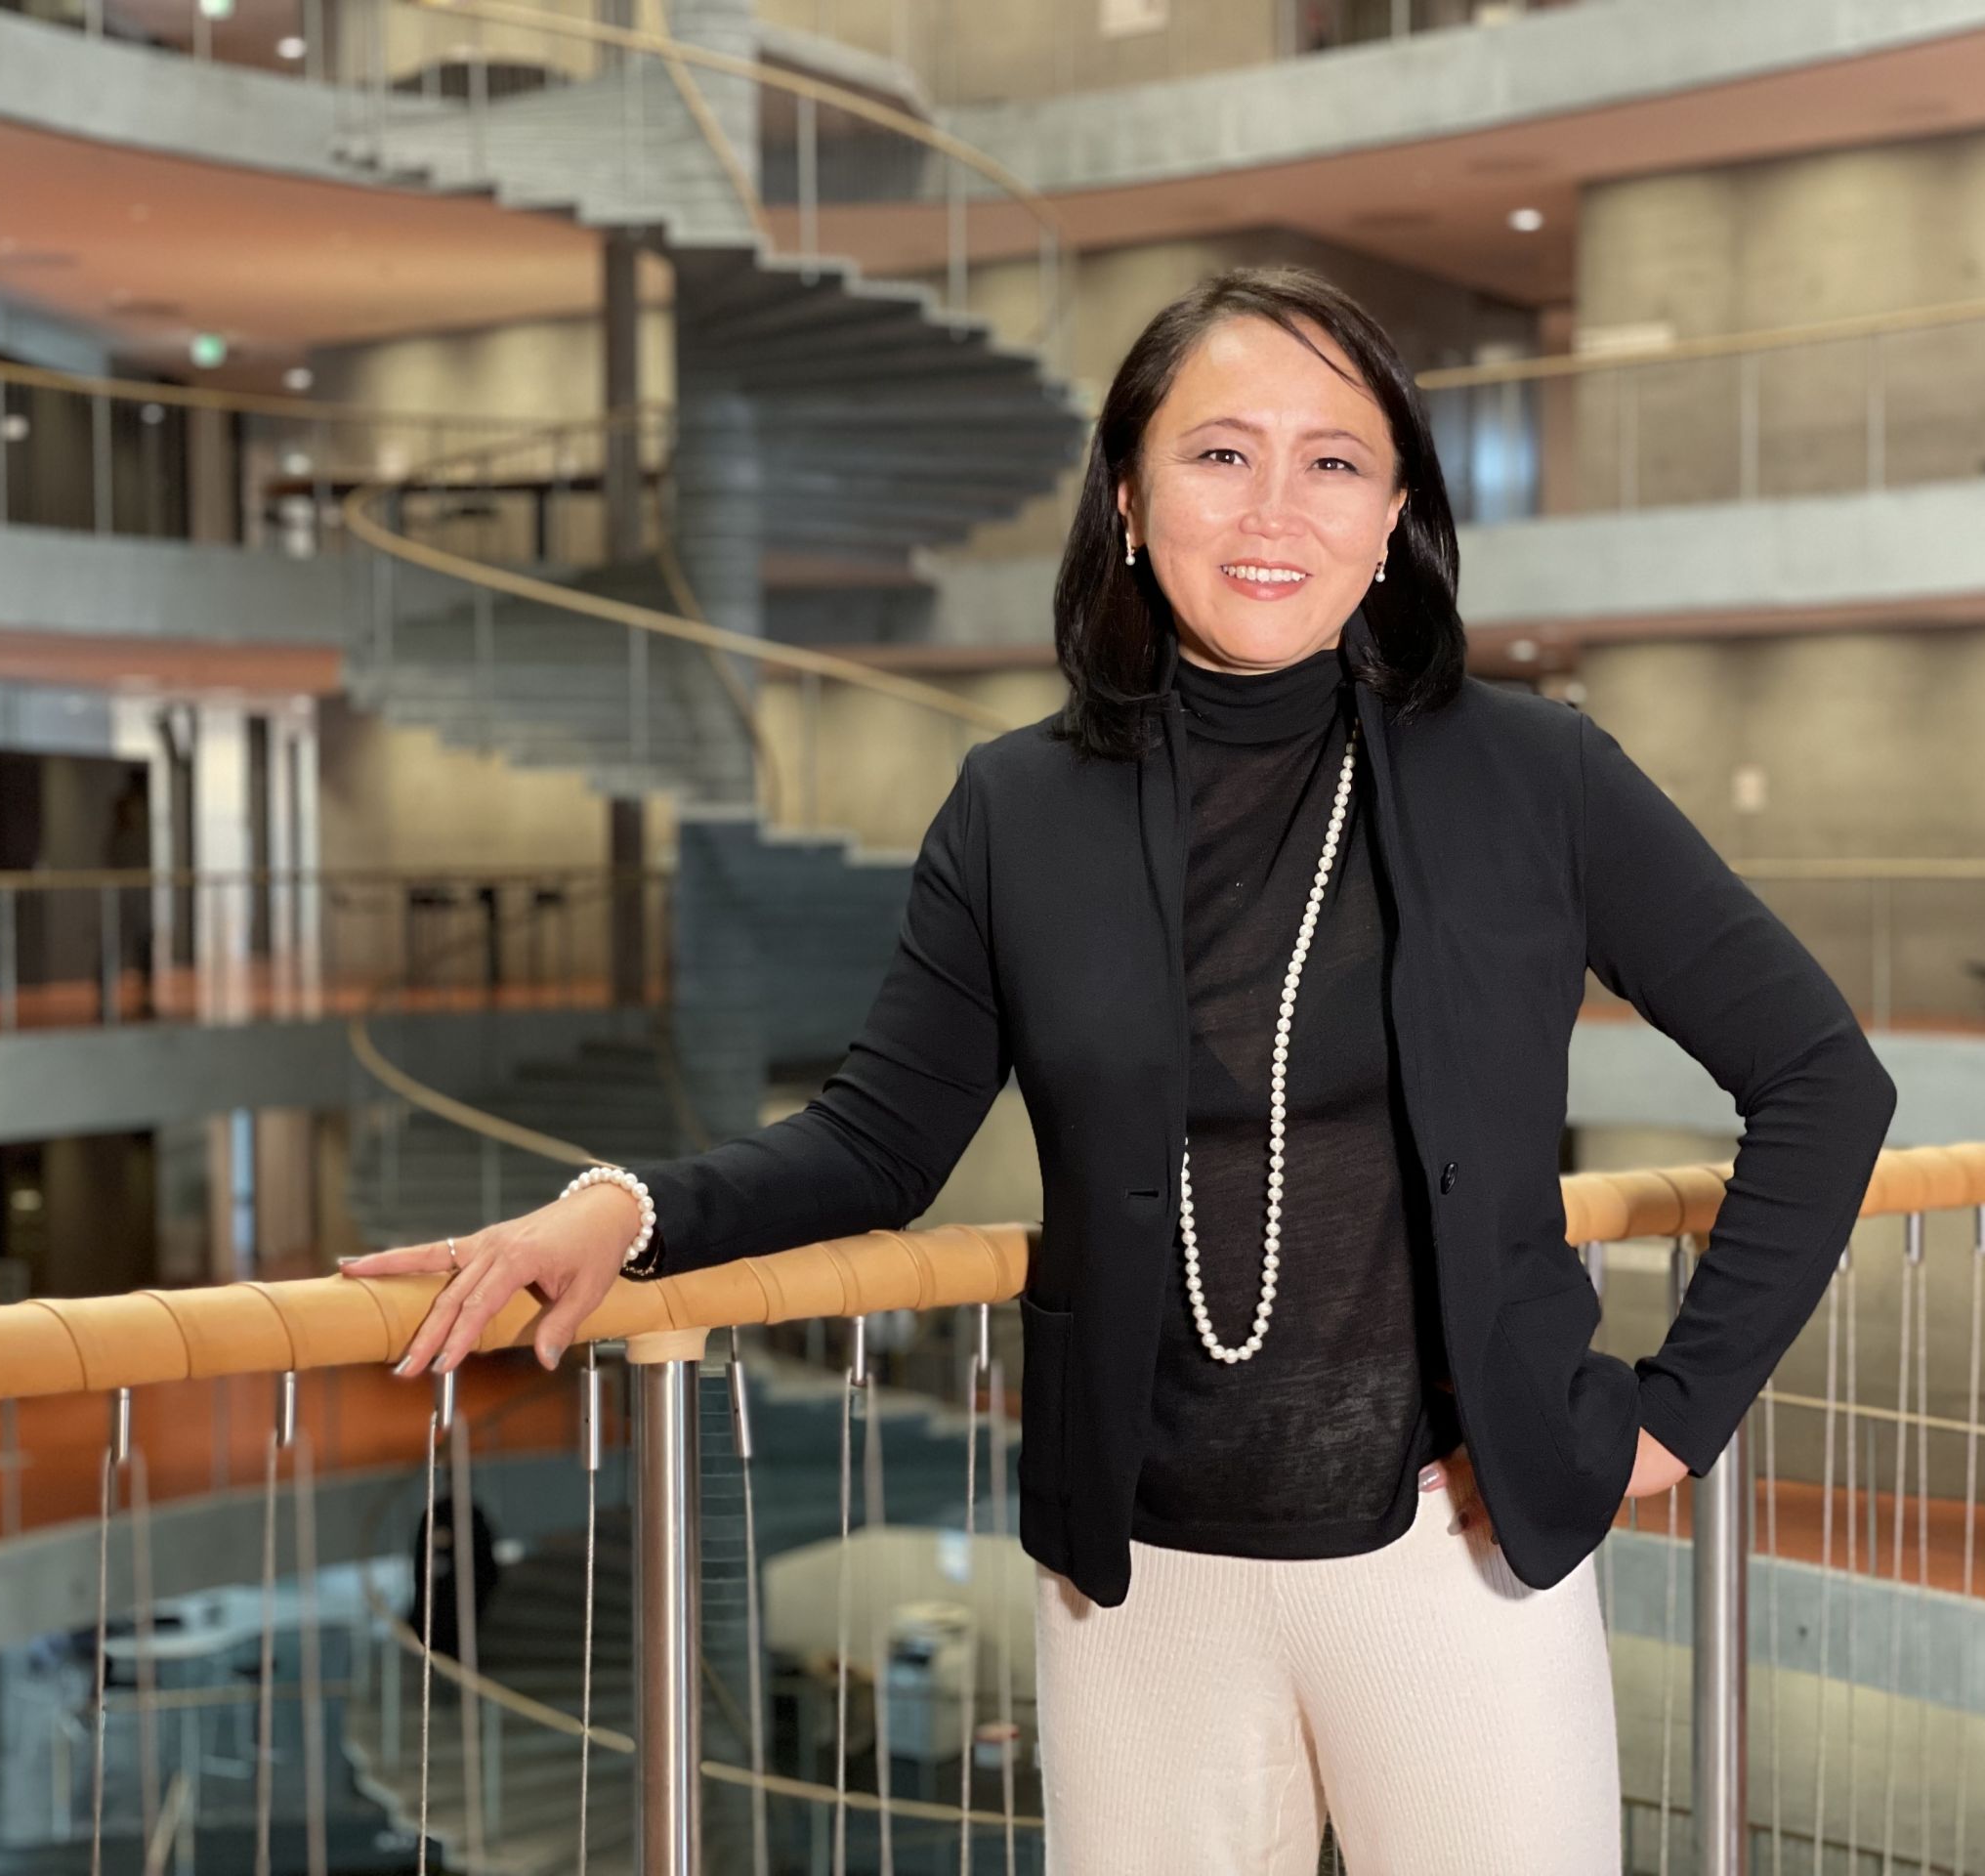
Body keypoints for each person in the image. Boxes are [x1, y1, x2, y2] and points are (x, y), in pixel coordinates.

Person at [339, 265, 1897, 1873]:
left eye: (1335, 461)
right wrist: (623, 1212)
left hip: (1462, 1563)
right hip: (1134, 1585)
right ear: (1132, 505)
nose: (1275, 506)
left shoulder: (1536, 775)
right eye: (1221, 453)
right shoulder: (1019, 809)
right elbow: (878, 1143)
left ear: (1393, 520)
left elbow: (1822, 1078)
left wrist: (1671, 1420)